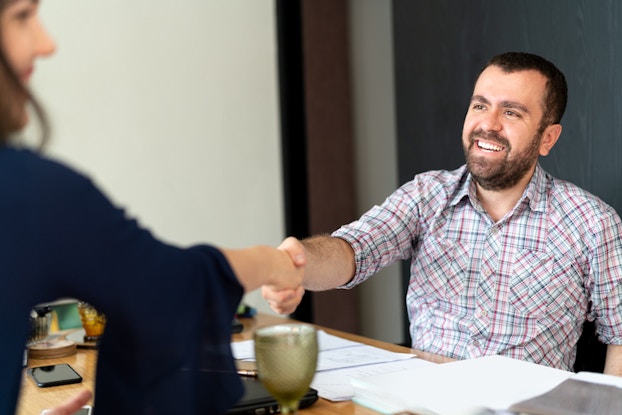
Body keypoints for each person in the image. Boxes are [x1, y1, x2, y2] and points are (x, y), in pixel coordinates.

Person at [0, 1, 305, 414]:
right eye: (21, 16)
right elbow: (174, 291)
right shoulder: (31, 192)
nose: (46, 43)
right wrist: (273, 262)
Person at [263, 51, 622, 376]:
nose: (489, 124)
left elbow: (620, 337)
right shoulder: (426, 195)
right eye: (480, 106)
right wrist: (297, 263)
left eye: (511, 112)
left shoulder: (592, 223)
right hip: (424, 403)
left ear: (548, 138)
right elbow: (353, 250)